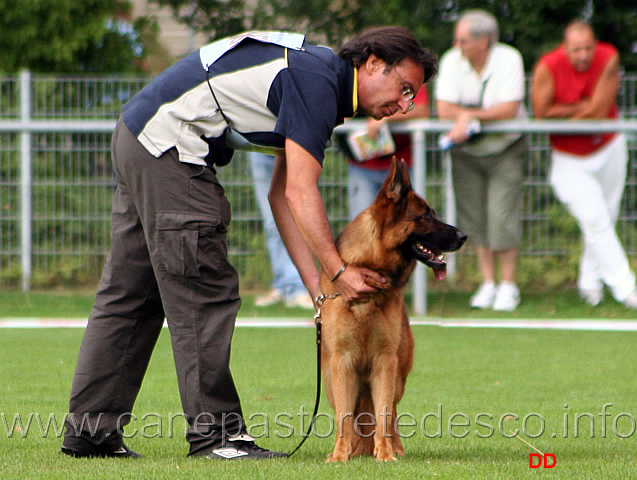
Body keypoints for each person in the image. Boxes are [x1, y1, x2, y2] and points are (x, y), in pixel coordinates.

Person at [61, 28, 437, 460]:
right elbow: (300, 191)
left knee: (132, 294)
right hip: (170, 147)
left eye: (413, 96)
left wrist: (317, 285)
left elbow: (281, 195)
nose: (405, 104)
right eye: (404, 88)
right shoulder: (318, 83)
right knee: (205, 287)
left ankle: (90, 432)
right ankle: (217, 437)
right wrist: (337, 270)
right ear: (372, 63)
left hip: (141, 135)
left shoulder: (318, 79)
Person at [531, 20, 637, 309]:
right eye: (577, 49)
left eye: (589, 48)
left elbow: (600, 110)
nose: (584, 56)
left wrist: (565, 116)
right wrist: (584, 108)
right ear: (565, 48)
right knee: (596, 219)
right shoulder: (547, 66)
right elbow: (542, 112)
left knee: (606, 217)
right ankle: (627, 290)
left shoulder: (609, 55)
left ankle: (590, 286)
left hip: (609, 146)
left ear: (595, 44)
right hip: (569, 158)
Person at [435, 9, 528, 311]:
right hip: (466, 152)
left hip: (505, 150)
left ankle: (509, 285)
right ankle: (488, 283)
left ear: (483, 41)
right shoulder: (451, 60)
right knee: (473, 217)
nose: (457, 44)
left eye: (463, 40)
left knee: (502, 215)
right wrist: (465, 117)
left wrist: (471, 116)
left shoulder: (509, 58)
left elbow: (509, 109)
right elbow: (443, 108)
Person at [339, 86, 430, 221]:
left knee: (409, 224)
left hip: (402, 167)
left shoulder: (410, 71)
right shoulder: (357, 74)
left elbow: (421, 110)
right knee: (363, 227)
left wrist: (387, 117)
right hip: (362, 167)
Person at [248, 151, 314, 309]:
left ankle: (298, 287)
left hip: (295, 146)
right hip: (260, 147)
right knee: (272, 222)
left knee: (297, 219)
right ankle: (282, 285)